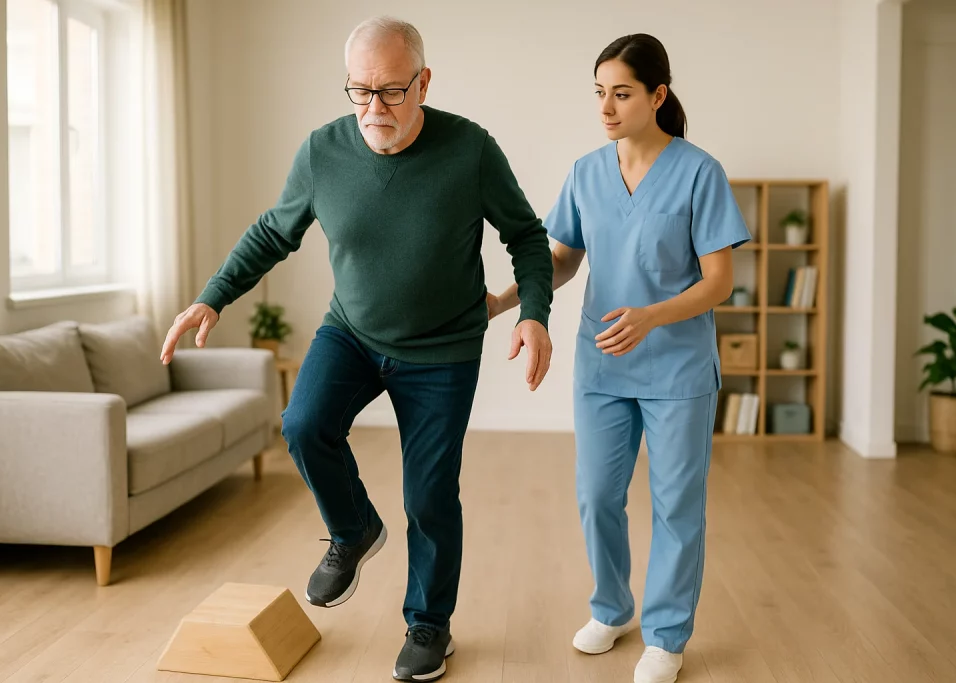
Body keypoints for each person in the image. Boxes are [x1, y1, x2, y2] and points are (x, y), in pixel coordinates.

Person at [159, 16, 554, 682]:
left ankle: (428, 624)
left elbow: (528, 237)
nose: (374, 107)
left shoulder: (470, 150)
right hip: (352, 332)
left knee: (429, 494)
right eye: (360, 91)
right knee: (303, 422)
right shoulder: (323, 152)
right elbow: (272, 233)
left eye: (392, 91)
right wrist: (212, 297)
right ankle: (352, 531)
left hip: (444, 348)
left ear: (424, 83)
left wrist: (534, 315)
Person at [490, 34, 751, 683]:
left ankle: (666, 635)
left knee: (676, 503)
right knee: (597, 495)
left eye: (622, 93)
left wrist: (652, 316)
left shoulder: (699, 172)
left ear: (658, 96)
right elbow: (561, 259)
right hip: (603, 365)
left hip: (677, 368)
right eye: (600, 93)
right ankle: (611, 608)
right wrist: (500, 301)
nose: (606, 107)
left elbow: (720, 281)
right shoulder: (586, 172)